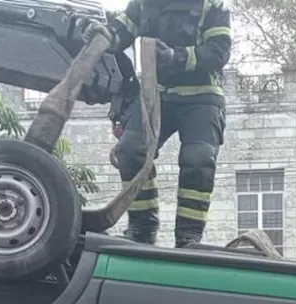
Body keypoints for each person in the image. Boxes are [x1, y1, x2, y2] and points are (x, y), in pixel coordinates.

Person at [76, 0, 232, 248]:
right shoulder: (142, 5)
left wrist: (176, 56)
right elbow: (120, 31)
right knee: (130, 151)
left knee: (199, 159)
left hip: (202, 98)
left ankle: (188, 236)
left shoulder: (211, 6)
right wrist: (101, 32)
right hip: (155, 93)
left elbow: (219, 51)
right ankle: (142, 228)